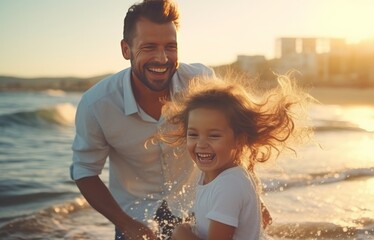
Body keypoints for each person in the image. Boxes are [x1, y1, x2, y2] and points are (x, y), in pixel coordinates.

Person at [70, 1, 215, 239]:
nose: (162, 58)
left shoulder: (201, 83)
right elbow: (85, 170)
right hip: (134, 216)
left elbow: (233, 142)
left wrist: (250, 196)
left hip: (198, 209)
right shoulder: (96, 104)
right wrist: (127, 225)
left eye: (170, 46)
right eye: (149, 47)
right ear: (126, 49)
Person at [154, 74, 310, 240]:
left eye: (213, 136)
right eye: (193, 134)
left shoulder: (228, 185)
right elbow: (261, 220)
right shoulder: (215, 174)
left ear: (239, 140)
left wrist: (181, 234)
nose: (201, 144)